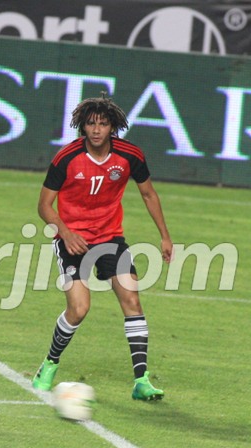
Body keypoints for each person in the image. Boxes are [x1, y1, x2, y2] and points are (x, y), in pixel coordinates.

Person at [33, 94, 172, 401]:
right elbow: (44, 205)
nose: (96, 130)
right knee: (79, 309)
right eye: (91, 123)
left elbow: (149, 194)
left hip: (110, 237)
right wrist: (66, 234)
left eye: (103, 124)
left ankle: (141, 381)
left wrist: (164, 235)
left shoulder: (130, 155)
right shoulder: (66, 157)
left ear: (113, 127)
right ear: (82, 126)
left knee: (132, 301)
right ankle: (49, 364)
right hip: (73, 240)